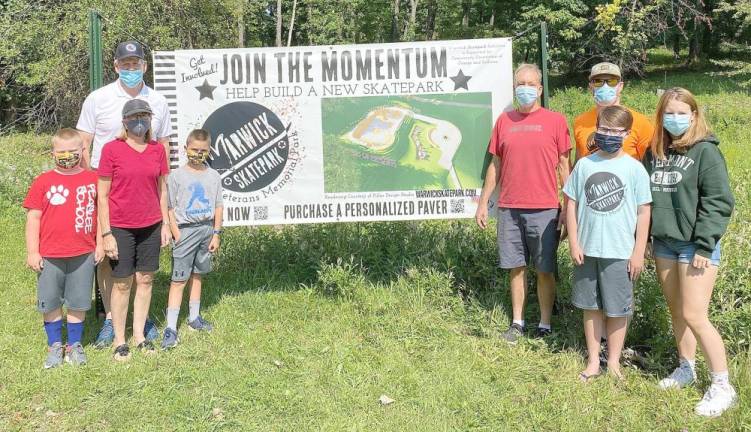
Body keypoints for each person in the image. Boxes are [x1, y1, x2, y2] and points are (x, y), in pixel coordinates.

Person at [645, 87, 736, 417]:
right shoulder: (654, 151)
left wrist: (705, 243)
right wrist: (646, 239)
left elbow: (719, 202)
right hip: (664, 242)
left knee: (696, 314)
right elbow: (646, 199)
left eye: (682, 112)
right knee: (678, 312)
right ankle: (686, 367)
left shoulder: (706, 152)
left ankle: (722, 385)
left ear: (694, 115)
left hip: (696, 245)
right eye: (669, 112)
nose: (675, 118)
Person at [77, 40, 172, 348]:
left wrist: (167, 211)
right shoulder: (98, 98)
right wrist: (89, 187)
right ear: (116, 66)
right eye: (125, 64)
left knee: (143, 271)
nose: (132, 68)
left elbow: (164, 149)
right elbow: (84, 145)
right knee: (108, 257)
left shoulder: (157, 100)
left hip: (144, 192)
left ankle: (140, 324)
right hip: (105, 189)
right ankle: (109, 321)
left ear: (145, 65)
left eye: (137, 63)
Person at [475, 63, 571, 342]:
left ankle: (544, 323)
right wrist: (483, 203)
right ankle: (517, 322)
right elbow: (495, 165)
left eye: (531, 84)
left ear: (540, 89)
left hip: (545, 209)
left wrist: (567, 208)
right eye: (521, 84)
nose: (525, 89)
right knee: (515, 267)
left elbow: (565, 167)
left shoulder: (555, 121)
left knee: (544, 269)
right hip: (510, 208)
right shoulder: (504, 122)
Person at [563, 106, 652, 381]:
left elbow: (643, 211)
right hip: (587, 250)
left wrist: (638, 252)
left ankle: (613, 362)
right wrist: (574, 242)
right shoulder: (585, 165)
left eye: (616, 131)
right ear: (596, 129)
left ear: (626, 134)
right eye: (604, 129)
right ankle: (593, 360)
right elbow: (571, 204)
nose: (609, 135)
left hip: (620, 252)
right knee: (591, 307)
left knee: (617, 309)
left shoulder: (634, 169)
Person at [23, 129, 103, 368]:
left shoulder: (93, 179)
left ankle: (74, 345)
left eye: (73, 151)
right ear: (52, 153)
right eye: (61, 152)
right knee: (51, 301)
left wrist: (100, 243)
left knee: (78, 302)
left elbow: (101, 216)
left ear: (82, 151)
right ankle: (55, 345)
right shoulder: (43, 181)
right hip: (50, 254)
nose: (67, 156)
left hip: (83, 253)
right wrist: (32, 251)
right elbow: (33, 218)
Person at [98, 99, 171, 361]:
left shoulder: (157, 150)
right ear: (124, 121)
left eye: (144, 116)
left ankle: (140, 336)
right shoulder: (111, 150)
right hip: (120, 227)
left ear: (151, 120)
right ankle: (120, 340)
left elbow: (162, 190)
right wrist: (106, 234)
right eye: (134, 116)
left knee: (146, 279)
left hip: (151, 225)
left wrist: (163, 224)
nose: (139, 120)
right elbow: (102, 195)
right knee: (122, 283)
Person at [161, 129, 223, 349]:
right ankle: (170, 327)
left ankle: (194, 318)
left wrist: (216, 232)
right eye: (195, 150)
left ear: (209, 151)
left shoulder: (214, 176)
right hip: (185, 231)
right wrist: (175, 231)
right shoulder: (176, 176)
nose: (199, 154)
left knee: (198, 275)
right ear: (186, 149)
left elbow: (218, 205)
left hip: (206, 230)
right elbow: (169, 206)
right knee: (179, 280)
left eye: (203, 151)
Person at [573, 62, 654, 162]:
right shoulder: (580, 122)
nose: (605, 86)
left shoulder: (641, 122)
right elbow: (578, 161)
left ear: (620, 86)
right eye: (598, 81)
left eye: (612, 81)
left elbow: (649, 165)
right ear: (591, 87)